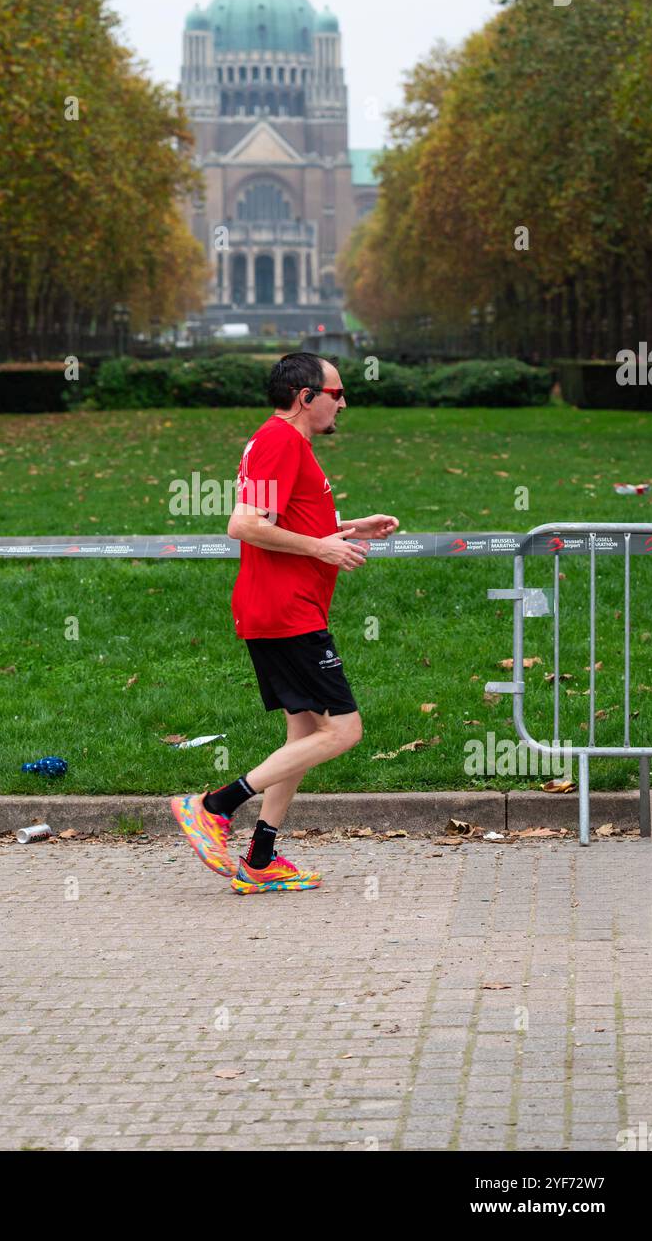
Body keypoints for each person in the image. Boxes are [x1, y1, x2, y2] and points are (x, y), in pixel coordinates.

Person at [171, 351, 399, 894]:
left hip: (284, 607)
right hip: (284, 610)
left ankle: (261, 856)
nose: (343, 401)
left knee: (303, 731)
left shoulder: (284, 443)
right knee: (343, 730)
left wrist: (344, 527)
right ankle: (213, 806)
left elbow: (282, 518)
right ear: (306, 397)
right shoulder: (280, 441)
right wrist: (322, 549)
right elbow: (244, 524)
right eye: (337, 393)